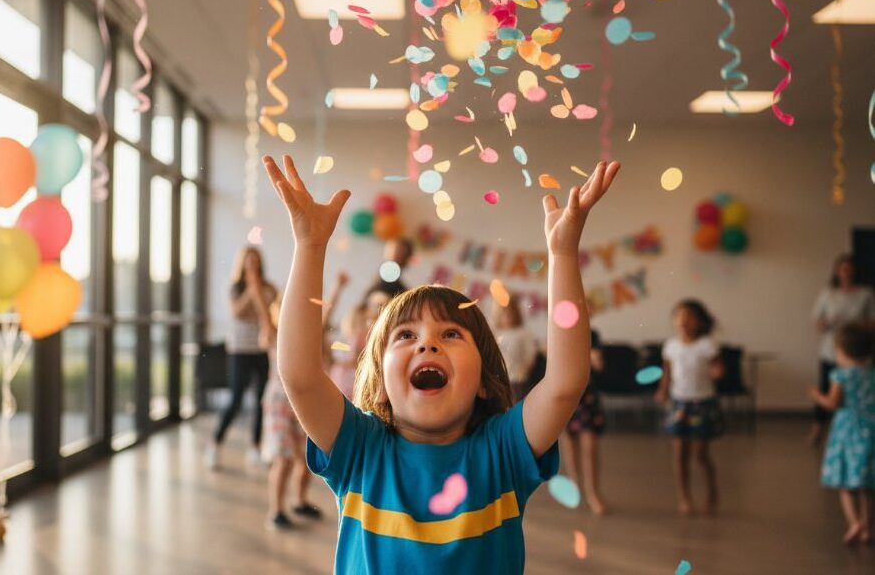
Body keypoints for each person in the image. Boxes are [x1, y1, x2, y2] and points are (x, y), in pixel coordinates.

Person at [262, 154, 620, 573]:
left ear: (485, 381)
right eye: (406, 336)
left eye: (450, 334)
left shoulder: (502, 451)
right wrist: (309, 247)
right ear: (378, 385)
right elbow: (301, 376)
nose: (427, 345)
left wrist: (562, 255)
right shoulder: (361, 450)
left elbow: (565, 381)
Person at [206, 246, 277, 469]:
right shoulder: (235, 287)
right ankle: (215, 443)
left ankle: (256, 448)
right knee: (236, 399)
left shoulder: (270, 288)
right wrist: (251, 291)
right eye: (248, 261)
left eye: (255, 261)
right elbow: (236, 312)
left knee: (260, 400)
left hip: (261, 350)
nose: (252, 265)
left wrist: (259, 293)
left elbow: (268, 316)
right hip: (239, 350)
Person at [256, 294, 324, 529]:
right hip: (278, 403)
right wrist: (255, 285)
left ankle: (300, 501)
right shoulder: (273, 336)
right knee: (283, 459)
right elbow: (265, 315)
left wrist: (336, 289)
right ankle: (275, 511)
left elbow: (322, 318)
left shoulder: (302, 337)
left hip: (300, 402)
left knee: (304, 458)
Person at [655, 299, 725, 516]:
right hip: (679, 403)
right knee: (679, 456)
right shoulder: (670, 346)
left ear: (700, 322)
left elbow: (718, 368)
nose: (683, 321)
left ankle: (712, 493)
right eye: (679, 316)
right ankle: (684, 497)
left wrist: (717, 372)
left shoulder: (707, 345)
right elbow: (667, 373)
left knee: (700, 455)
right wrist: (662, 390)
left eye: (689, 317)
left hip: (703, 403)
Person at [809, 324, 875, 545]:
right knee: (867, 485)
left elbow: (832, 403)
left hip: (848, 432)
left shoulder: (841, 375)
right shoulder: (871, 375)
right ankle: (868, 529)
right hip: (870, 430)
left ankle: (854, 522)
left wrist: (816, 394)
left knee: (846, 484)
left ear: (842, 351)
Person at [809, 255, 875, 447]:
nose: (845, 272)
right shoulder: (828, 293)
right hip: (832, 349)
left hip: (857, 348)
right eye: (842, 269)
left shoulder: (865, 293)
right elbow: (817, 322)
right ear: (837, 272)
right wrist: (829, 322)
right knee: (827, 386)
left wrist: (858, 324)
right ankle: (817, 429)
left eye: (848, 268)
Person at [559, 328, 607, 515]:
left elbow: (600, 367)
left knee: (590, 447)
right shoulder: (558, 334)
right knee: (570, 445)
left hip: (587, 400)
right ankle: (575, 489)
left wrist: (594, 357)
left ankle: (593, 493)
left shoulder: (591, 335)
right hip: (568, 397)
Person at [494, 297, 538, 402]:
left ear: (516, 314)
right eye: (504, 314)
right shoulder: (498, 333)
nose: (507, 318)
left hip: (518, 380)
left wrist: (524, 371)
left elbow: (530, 354)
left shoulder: (522, 333)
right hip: (501, 380)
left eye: (510, 314)